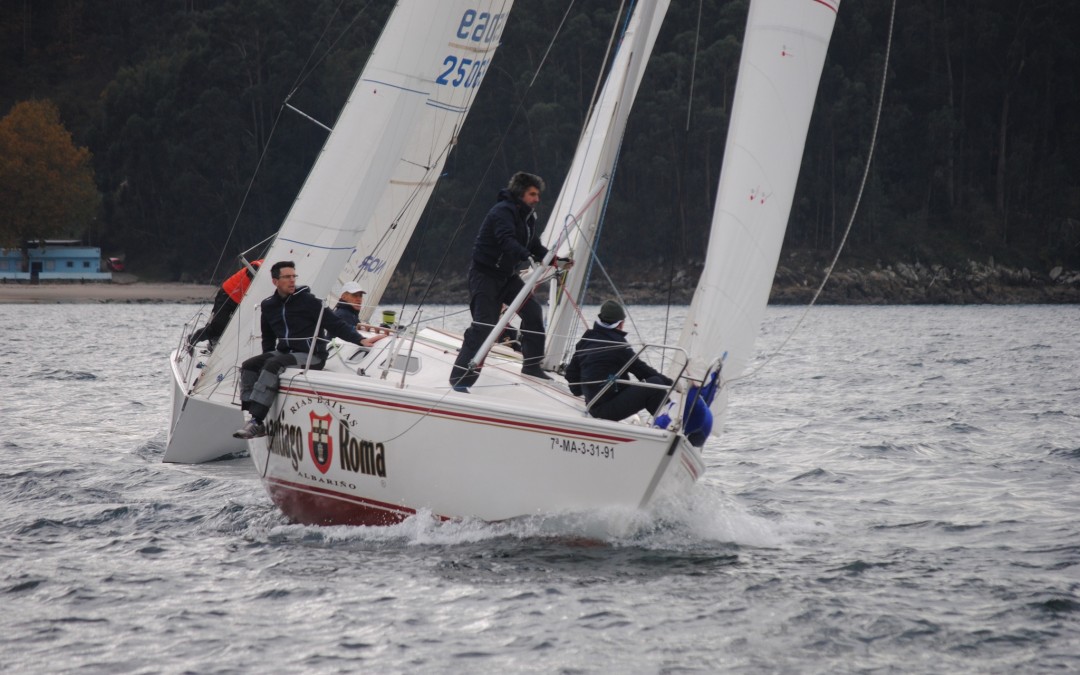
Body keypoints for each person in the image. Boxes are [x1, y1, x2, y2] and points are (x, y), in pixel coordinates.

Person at [232, 261, 378, 439]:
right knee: (249, 365)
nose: (292, 280)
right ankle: (252, 415)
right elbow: (268, 337)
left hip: (312, 355)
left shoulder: (309, 301)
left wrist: (361, 340)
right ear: (275, 281)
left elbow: (335, 324)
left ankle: (256, 420)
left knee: (273, 365)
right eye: (287, 277)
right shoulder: (269, 305)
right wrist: (265, 359)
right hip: (285, 352)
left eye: (294, 276)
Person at [449, 171, 566, 391]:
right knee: (485, 326)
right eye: (532, 194)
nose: (537, 199)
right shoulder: (501, 212)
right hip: (484, 276)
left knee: (533, 313)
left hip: (507, 277)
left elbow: (534, 245)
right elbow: (506, 240)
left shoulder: (528, 217)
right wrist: (526, 256)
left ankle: (531, 366)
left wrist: (555, 261)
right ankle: (460, 379)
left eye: (537, 194)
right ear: (520, 193)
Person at [564, 300, 673, 422]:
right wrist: (671, 384)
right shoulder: (618, 345)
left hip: (594, 405)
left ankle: (663, 422)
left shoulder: (586, 339)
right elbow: (643, 371)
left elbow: (571, 374)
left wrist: (582, 392)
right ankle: (667, 425)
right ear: (620, 324)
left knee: (648, 384)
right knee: (655, 384)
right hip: (605, 410)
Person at [188, 259, 263, 350]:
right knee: (217, 326)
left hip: (243, 301)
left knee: (240, 327)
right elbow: (253, 268)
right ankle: (192, 340)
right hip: (228, 294)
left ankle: (217, 344)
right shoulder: (261, 264)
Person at [332, 280, 387, 348]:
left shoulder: (351, 314)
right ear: (343, 297)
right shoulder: (342, 315)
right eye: (354, 295)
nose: (359, 299)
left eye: (360, 296)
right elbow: (350, 332)